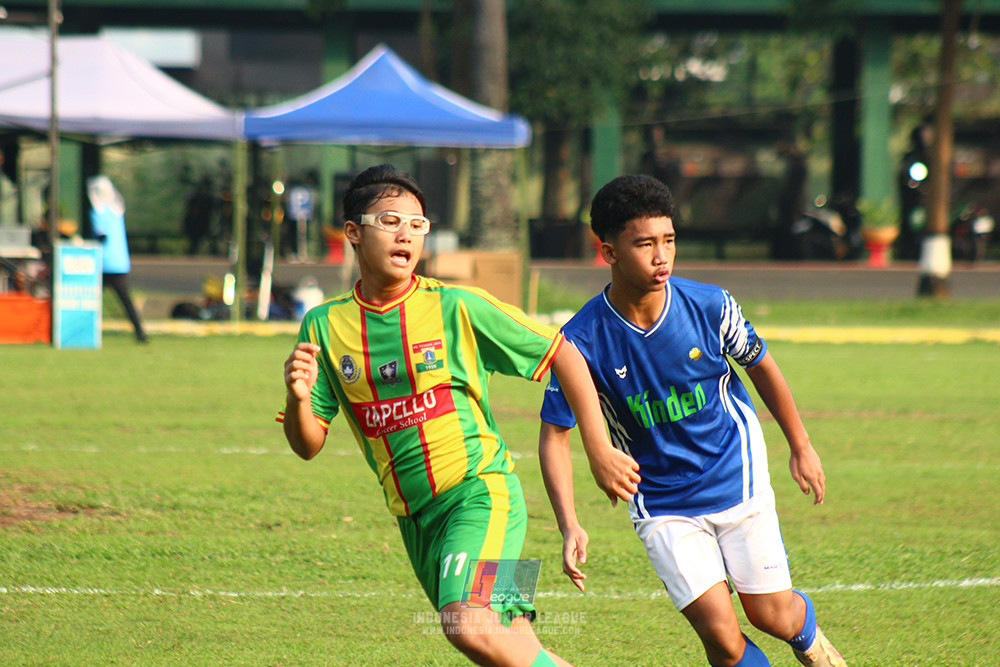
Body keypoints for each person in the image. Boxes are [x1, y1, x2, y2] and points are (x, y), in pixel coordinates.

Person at [278, 164, 638, 667]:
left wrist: (599, 450)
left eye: (418, 225)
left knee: (465, 623)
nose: (406, 234)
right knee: (510, 642)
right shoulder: (323, 323)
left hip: (481, 494)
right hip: (415, 519)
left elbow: (565, 353)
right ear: (354, 233)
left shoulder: (456, 307)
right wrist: (298, 399)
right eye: (390, 221)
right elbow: (308, 443)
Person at [538, 174, 847, 667]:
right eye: (645, 244)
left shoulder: (709, 305)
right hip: (661, 502)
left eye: (669, 241)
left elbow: (760, 363)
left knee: (772, 615)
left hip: (736, 478)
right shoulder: (580, 340)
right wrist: (568, 523)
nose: (662, 256)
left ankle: (806, 635)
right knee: (723, 641)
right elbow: (554, 435)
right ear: (609, 252)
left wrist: (800, 444)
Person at [88, 175, 147, 343]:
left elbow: (102, 235)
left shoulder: (98, 211)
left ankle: (85, 331)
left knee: (91, 299)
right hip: (120, 263)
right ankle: (140, 332)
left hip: (104, 263)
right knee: (126, 301)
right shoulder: (117, 210)